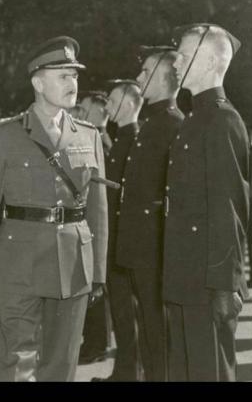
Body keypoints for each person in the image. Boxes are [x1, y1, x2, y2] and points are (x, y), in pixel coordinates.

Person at [0, 35, 109, 382]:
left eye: (74, 75)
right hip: (19, 264)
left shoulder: (88, 135)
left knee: (62, 363)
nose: (72, 83)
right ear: (38, 82)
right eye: (63, 76)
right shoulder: (5, 135)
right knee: (15, 363)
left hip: (73, 265)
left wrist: (97, 271)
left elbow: (98, 210)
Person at [163, 23, 249, 382]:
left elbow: (230, 208)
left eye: (183, 56)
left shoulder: (222, 120)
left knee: (208, 373)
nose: (175, 63)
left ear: (211, 61)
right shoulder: (196, 118)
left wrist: (225, 285)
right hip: (186, 275)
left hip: (206, 281)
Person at [115, 46, 185, 382]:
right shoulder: (153, 124)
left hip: (157, 251)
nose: (139, 77)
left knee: (160, 335)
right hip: (143, 249)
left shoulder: (174, 124)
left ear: (164, 77)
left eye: (145, 72)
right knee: (150, 332)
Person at [90, 78, 144, 382]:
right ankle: (124, 372)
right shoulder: (122, 139)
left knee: (127, 311)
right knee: (122, 312)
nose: (107, 106)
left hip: (124, 242)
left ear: (129, 103)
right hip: (114, 239)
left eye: (112, 100)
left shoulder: (134, 139)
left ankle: (130, 374)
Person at [77, 89, 114, 365]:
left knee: (97, 285)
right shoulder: (93, 137)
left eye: (85, 109)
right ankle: (95, 341)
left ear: (101, 111)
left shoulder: (100, 140)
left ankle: (96, 343)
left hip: (100, 221)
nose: (80, 113)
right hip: (94, 220)